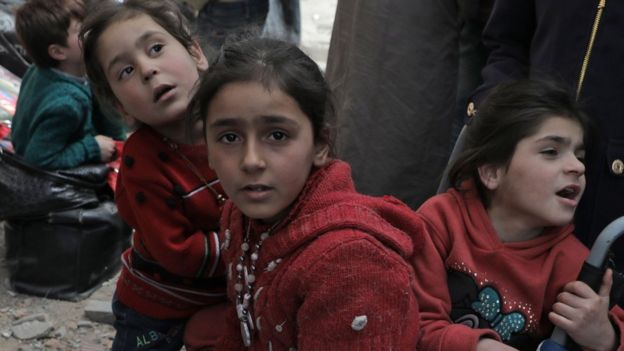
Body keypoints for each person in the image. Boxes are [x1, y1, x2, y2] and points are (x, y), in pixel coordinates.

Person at [186, 37, 422, 349]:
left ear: (321, 144)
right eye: (229, 137)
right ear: (208, 152)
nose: (251, 161)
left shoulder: (350, 265)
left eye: (277, 135)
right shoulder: (239, 214)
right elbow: (241, 325)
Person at [413, 79, 624, 350]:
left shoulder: (576, 264)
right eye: (551, 152)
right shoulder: (440, 220)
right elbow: (413, 321)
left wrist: (606, 338)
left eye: (580, 156)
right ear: (492, 171)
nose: (577, 167)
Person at [80, 0, 227, 349]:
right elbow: (179, 252)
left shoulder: (234, 122)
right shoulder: (141, 161)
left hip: (226, 286)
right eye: (125, 72)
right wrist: (255, 244)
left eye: (156, 48)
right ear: (120, 107)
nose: (147, 69)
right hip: (158, 305)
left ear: (195, 52)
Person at [469, 0, 624, 268]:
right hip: (516, 164)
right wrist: (499, 117)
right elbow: (506, 43)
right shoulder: (443, 220)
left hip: (610, 195)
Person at [9, 0, 123, 170]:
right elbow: (38, 160)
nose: (91, 32)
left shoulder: (39, 69)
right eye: (81, 30)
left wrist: (119, 140)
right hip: (52, 166)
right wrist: (91, 148)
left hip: (41, 140)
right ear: (58, 52)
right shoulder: (66, 104)